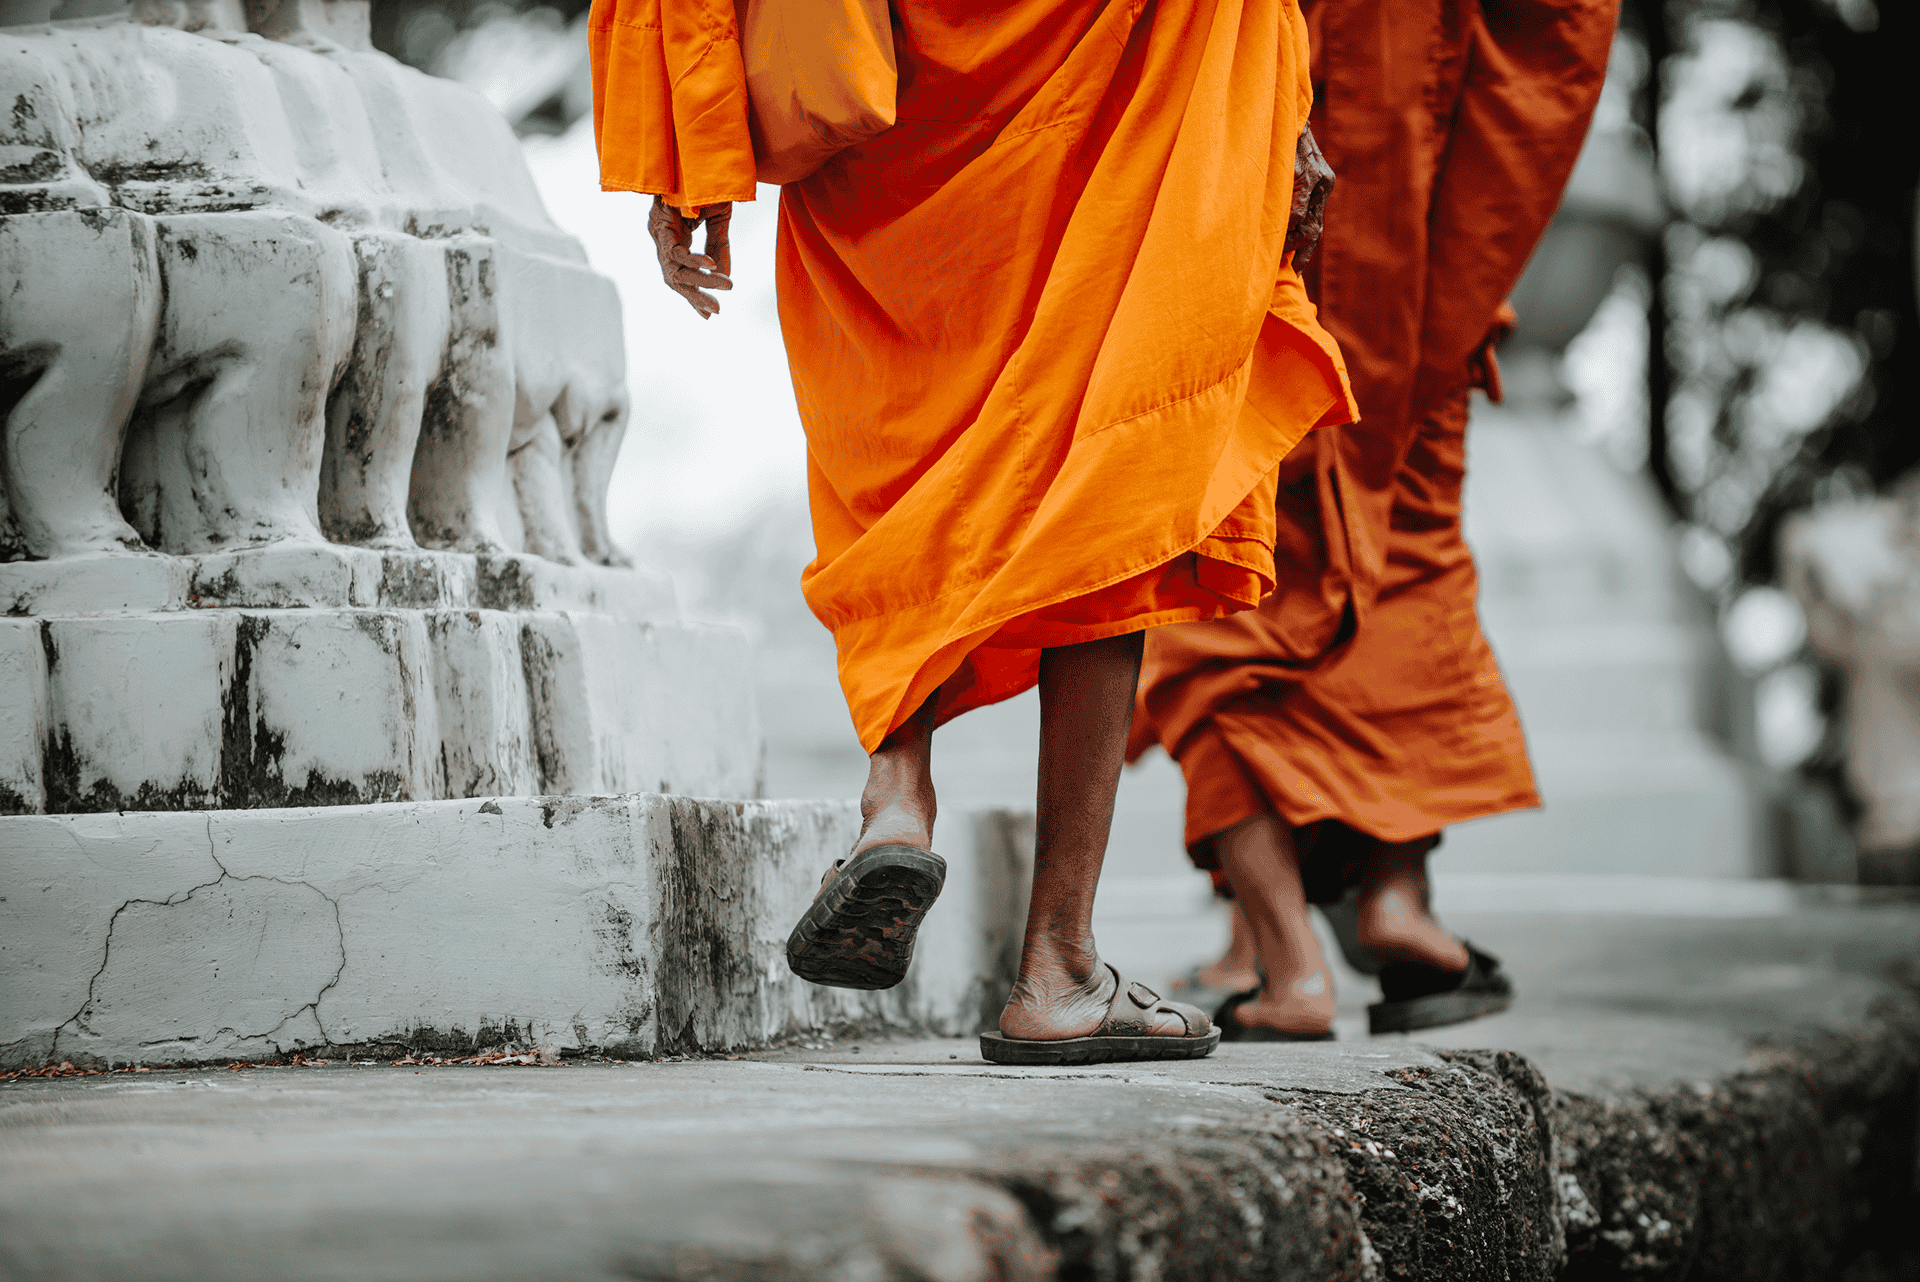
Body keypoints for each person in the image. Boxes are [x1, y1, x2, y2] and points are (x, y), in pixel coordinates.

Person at [589, 0, 1357, 1063]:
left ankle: (898, 794)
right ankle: (1059, 963)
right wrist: (1286, 108)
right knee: (1105, 466)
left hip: (888, 70)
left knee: (897, 429)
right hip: (1116, 57)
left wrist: (688, 143)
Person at [1131, 0, 1620, 1040]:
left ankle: (1292, 965)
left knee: (1215, 604)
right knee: (1404, 566)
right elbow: (1560, 37)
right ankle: (1401, 907)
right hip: (1430, 290)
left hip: (1259, 261)